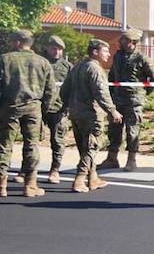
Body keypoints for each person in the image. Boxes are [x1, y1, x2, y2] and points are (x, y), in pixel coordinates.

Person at [58, 39, 121, 193]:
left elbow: (64, 90)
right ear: (95, 52)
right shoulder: (95, 69)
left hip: (76, 113)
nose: (108, 54)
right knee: (92, 147)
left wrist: (67, 106)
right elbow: (101, 93)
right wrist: (112, 111)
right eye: (105, 51)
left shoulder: (77, 67)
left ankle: (93, 178)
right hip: (91, 114)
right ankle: (79, 179)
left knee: (84, 147)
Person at [0, 29, 56, 197]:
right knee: (31, 146)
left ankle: (1, 185)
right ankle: (30, 185)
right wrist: (43, 110)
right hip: (33, 108)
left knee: (4, 146)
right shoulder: (43, 62)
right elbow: (50, 91)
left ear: (17, 42)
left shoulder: (4, 59)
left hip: (9, 107)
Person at [100, 29, 154, 171]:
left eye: (122, 39)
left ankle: (131, 160)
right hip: (117, 99)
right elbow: (112, 76)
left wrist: (141, 94)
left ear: (131, 42)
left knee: (132, 131)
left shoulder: (142, 58)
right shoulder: (118, 56)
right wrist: (111, 94)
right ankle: (112, 158)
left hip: (133, 101)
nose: (119, 42)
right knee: (114, 129)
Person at [41, 35, 71, 184]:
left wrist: (69, 107)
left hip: (59, 108)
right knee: (31, 141)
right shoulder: (39, 63)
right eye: (54, 48)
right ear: (47, 48)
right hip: (38, 108)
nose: (57, 52)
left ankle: (55, 169)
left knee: (57, 140)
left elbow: (73, 88)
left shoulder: (67, 67)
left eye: (60, 49)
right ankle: (25, 170)